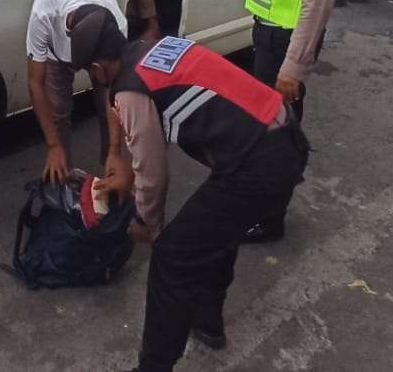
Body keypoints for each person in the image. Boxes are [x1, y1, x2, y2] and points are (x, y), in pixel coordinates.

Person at [77, 21, 309, 372]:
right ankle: (208, 320)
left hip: (259, 162)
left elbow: (150, 172)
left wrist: (147, 224)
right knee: (216, 229)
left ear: (96, 69)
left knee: (172, 257)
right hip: (283, 136)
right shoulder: (157, 47)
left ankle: (154, 366)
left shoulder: (130, 88)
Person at [241, 0, 344, 242]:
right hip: (269, 35)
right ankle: (261, 204)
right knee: (266, 127)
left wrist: (294, 67)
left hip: (285, 44)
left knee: (277, 134)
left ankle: (269, 219)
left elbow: (316, 6)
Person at [25, 0, 132, 183]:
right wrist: (53, 145)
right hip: (54, 51)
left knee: (106, 104)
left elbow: (115, 98)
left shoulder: (117, 27)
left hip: (100, 41)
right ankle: (64, 174)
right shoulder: (43, 12)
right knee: (58, 110)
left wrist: (114, 152)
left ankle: (110, 170)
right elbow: (35, 83)